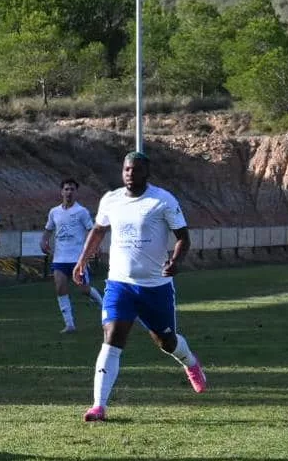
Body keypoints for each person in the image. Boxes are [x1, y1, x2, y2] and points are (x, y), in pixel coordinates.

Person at [71, 151, 207, 422]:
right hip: (120, 283)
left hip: (156, 286)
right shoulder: (111, 199)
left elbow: (183, 238)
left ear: (147, 172)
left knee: (165, 341)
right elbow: (98, 231)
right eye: (126, 169)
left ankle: (190, 362)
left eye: (135, 169)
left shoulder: (163, 200)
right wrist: (82, 261)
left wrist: (176, 261)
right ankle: (98, 406)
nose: (130, 174)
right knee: (112, 338)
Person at [41, 178, 103, 333]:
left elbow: (91, 230)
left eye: (72, 189)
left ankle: (104, 306)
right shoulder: (54, 212)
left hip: (77, 259)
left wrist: (95, 246)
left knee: (84, 290)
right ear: (61, 191)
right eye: (66, 189)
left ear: (76, 192)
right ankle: (69, 324)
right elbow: (48, 229)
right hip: (60, 259)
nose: (69, 192)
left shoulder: (81, 212)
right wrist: (44, 241)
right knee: (60, 288)